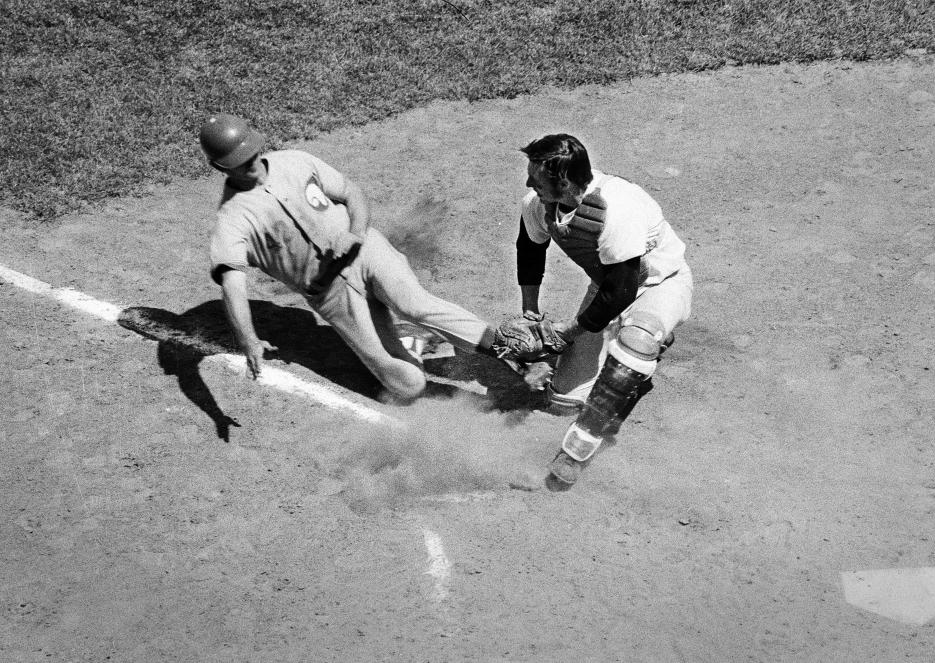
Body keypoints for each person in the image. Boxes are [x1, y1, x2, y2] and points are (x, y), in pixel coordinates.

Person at [199, 113, 501, 403]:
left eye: (252, 154)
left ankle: (509, 348)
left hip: (367, 250)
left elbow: (351, 193)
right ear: (221, 167)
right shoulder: (232, 218)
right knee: (407, 387)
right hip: (332, 295)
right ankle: (409, 342)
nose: (252, 164)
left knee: (415, 304)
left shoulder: (295, 161)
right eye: (241, 162)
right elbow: (233, 285)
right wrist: (248, 339)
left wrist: (355, 233)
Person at [514, 133, 693, 485]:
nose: (528, 182)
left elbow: (623, 290)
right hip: (606, 287)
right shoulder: (538, 205)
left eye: (536, 177)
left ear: (562, 181)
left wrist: (570, 330)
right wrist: (529, 313)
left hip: (660, 284)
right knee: (564, 399)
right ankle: (634, 346)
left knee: (636, 343)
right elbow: (530, 249)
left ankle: (580, 444)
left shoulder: (616, 209)